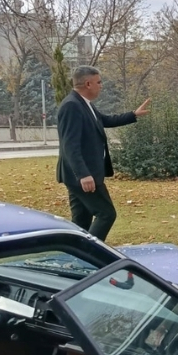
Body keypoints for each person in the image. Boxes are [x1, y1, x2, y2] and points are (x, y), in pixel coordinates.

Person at [55, 65, 150, 241]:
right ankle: (92, 254)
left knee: (81, 220)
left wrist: (133, 114)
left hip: (79, 175)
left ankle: (77, 258)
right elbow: (70, 145)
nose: (102, 85)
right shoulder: (72, 106)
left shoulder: (84, 104)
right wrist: (83, 174)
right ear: (88, 84)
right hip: (84, 176)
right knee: (106, 214)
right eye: (99, 82)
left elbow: (104, 120)